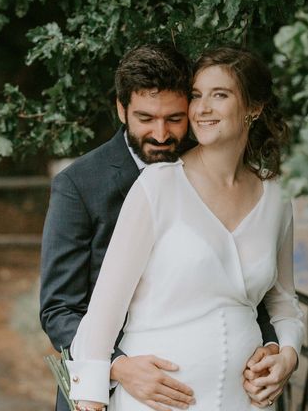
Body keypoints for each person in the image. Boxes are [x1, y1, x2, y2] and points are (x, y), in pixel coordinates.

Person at [39, 44, 286, 411]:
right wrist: (118, 367)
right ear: (121, 110)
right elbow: (59, 308)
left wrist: (273, 350)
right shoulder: (80, 184)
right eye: (145, 118)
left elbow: (243, 286)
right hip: (113, 387)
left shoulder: (216, 170)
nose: (161, 134)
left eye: (174, 118)